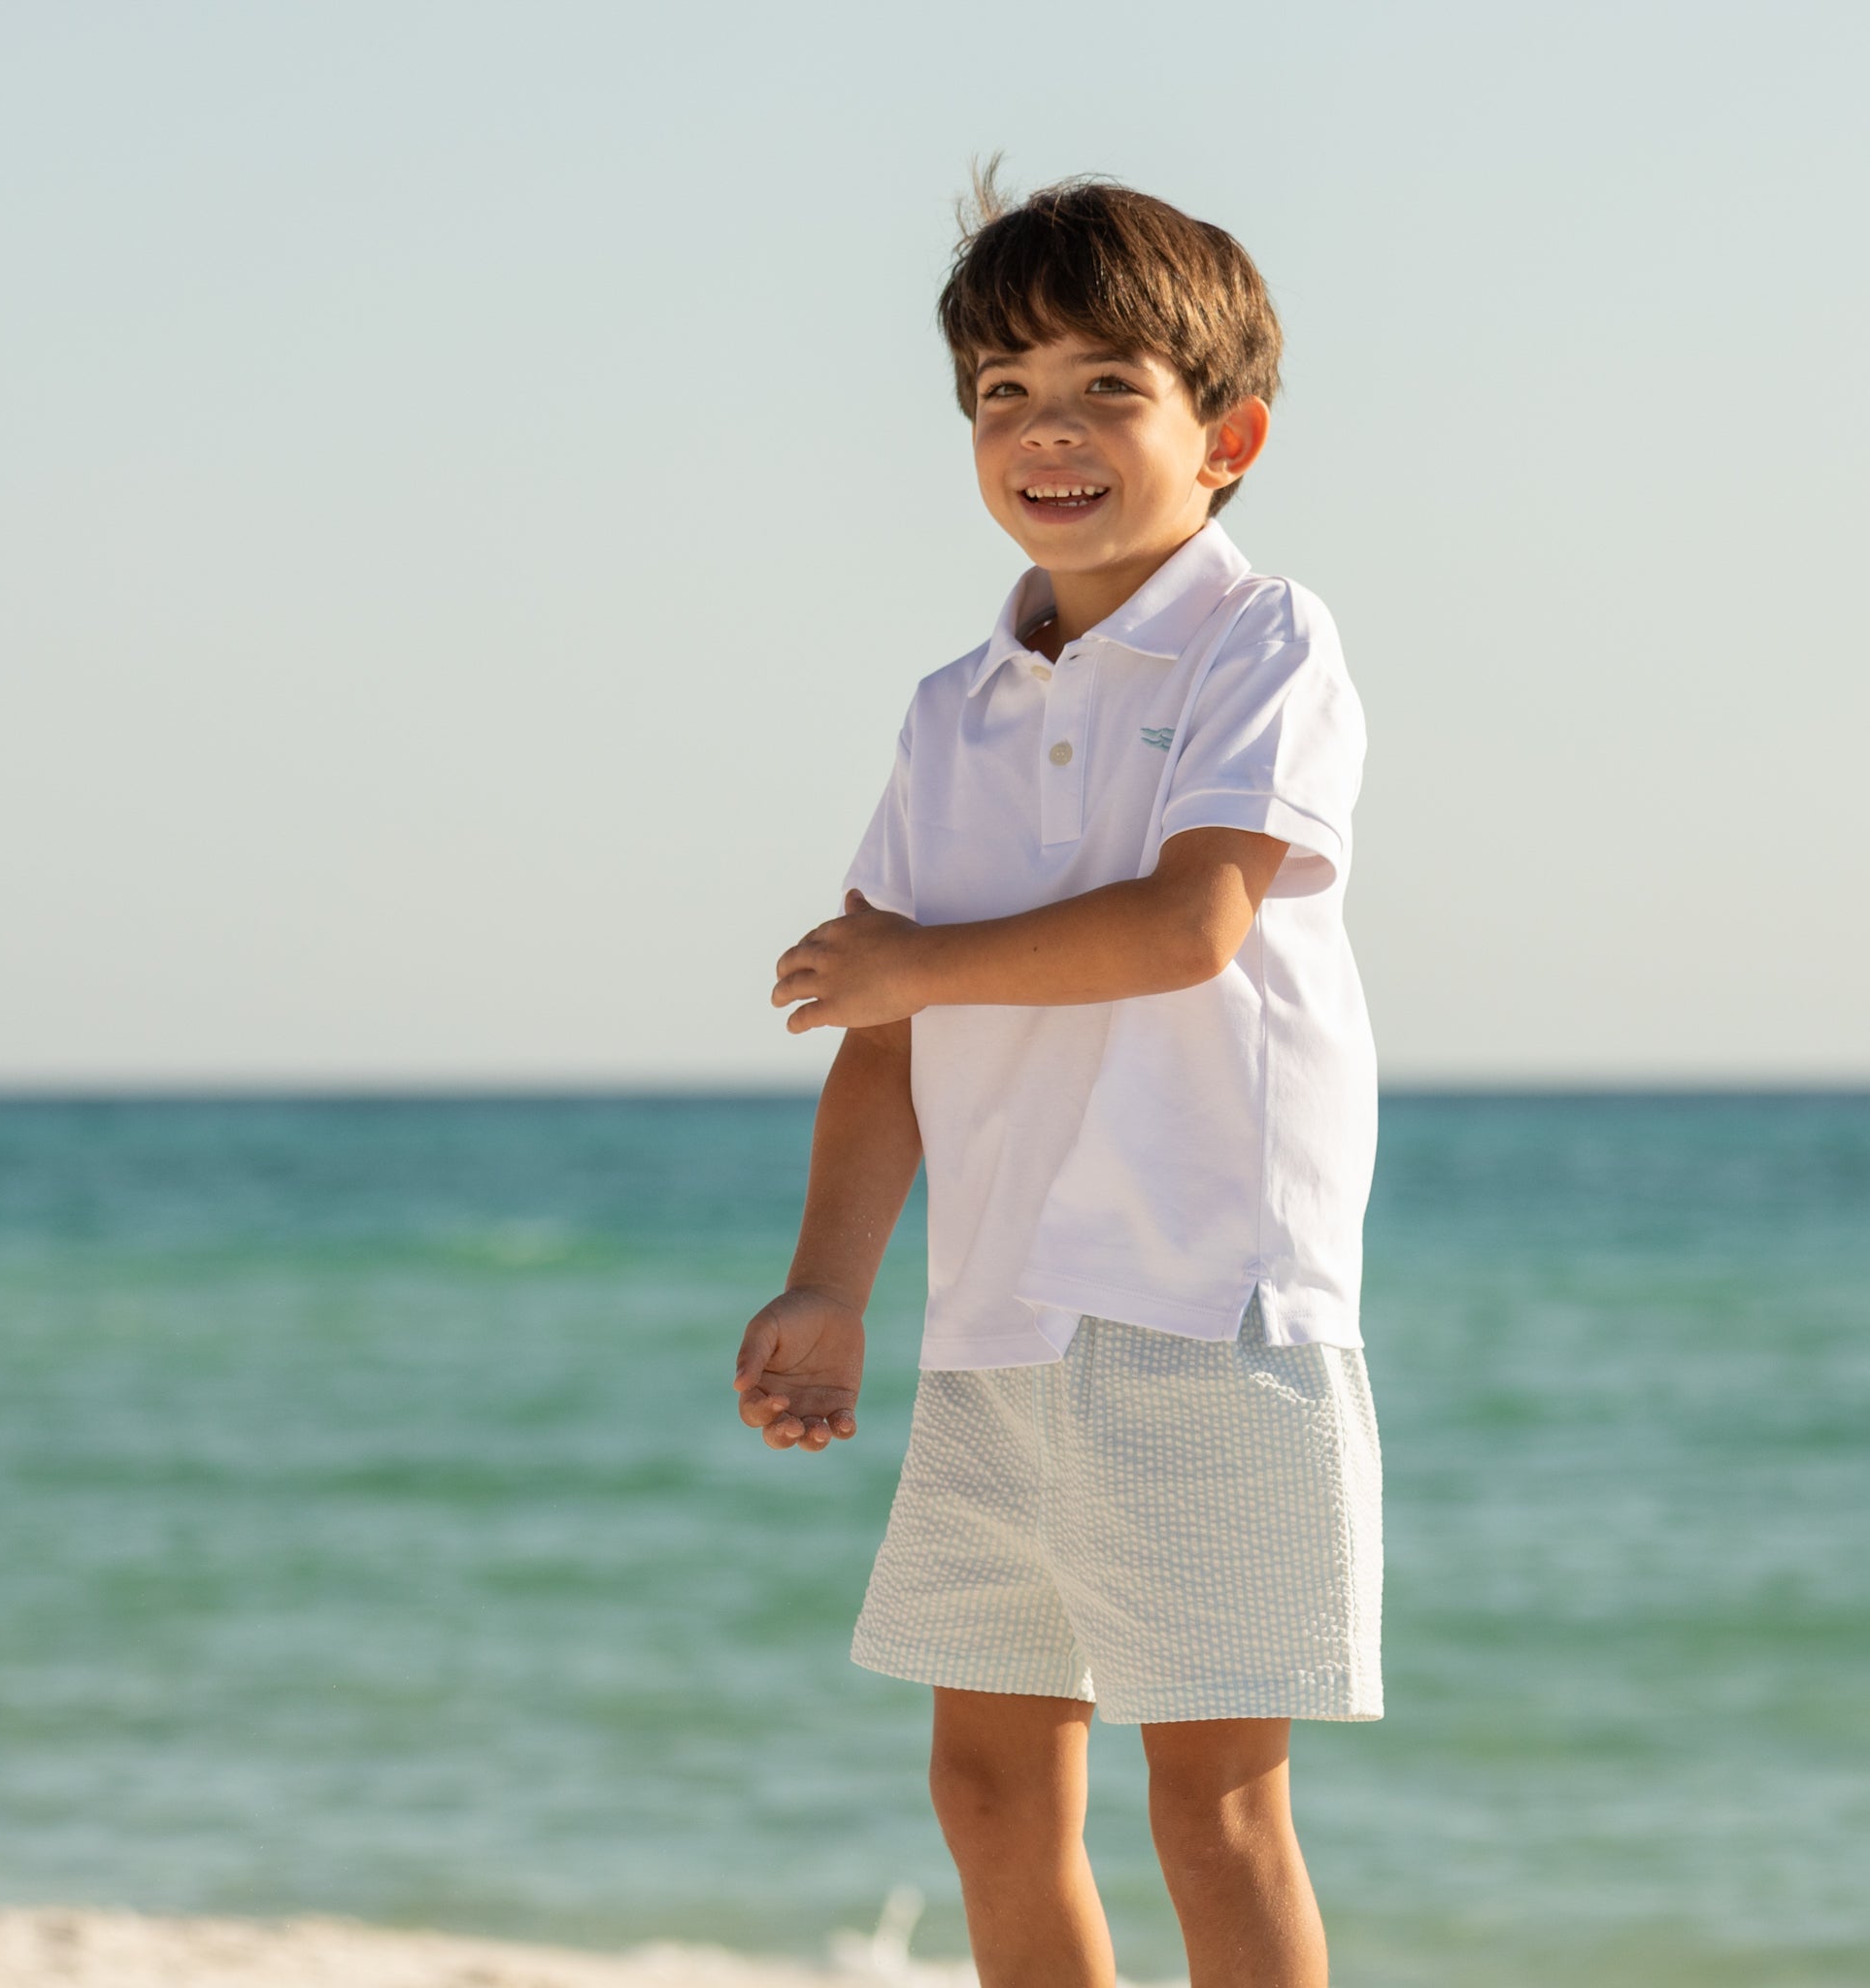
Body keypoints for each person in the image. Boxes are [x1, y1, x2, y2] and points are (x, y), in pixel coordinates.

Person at [732, 167, 1382, 1988]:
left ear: (1227, 433)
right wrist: (827, 1288)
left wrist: (910, 967)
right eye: (1004, 392)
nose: (1050, 429)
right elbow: (883, 1039)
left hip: (1202, 1301)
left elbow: (1191, 925)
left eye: (1108, 386)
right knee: (992, 1788)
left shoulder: (1267, 640)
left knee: (1213, 1803)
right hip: (996, 1318)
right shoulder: (954, 707)